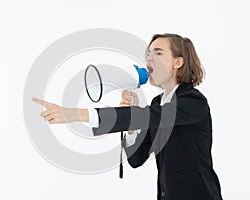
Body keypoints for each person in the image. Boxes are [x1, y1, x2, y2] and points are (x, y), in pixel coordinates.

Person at [32, 33, 223, 200]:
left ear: (178, 62)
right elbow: (136, 159)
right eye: (148, 55)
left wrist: (74, 114)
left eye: (157, 53)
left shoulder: (194, 102)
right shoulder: (157, 103)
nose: (149, 60)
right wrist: (132, 127)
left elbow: (152, 116)